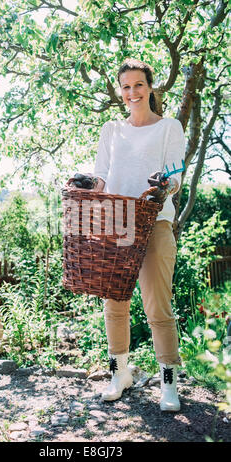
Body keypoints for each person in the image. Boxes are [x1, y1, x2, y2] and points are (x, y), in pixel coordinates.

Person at [91, 58, 186, 411]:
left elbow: (176, 175)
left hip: (154, 222)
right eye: (126, 86)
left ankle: (169, 385)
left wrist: (166, 185)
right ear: (121, 91)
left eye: (139, 85)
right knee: (114, 304)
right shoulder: (111, 130)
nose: (132, 92)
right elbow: (101, 175)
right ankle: (120, 374)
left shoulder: (169, 127)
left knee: (157, 306)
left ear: (150, 88)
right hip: (116, 225)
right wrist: (87, 185)